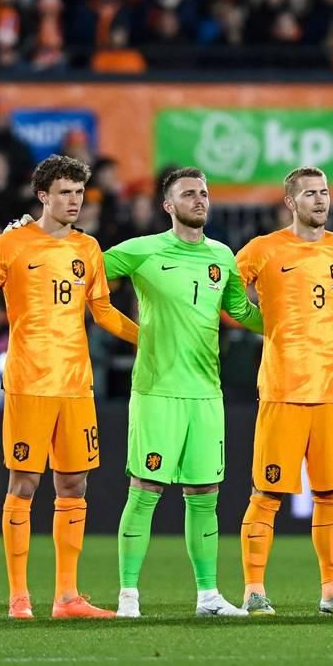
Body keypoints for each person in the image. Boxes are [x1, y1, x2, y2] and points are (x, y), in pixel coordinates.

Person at [0, 154, 140, 620]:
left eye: (79, 192)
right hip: (29, 382)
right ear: (43, 196)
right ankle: (18, 597)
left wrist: (149, 338)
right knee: (24, 483)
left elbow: (103, 312)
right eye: (64, 192)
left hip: (75, 385)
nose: (74, 201)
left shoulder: (88, 249)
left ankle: (67, 597)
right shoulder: (11, 245)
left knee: (74, 483)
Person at [104, 166, 264, 619]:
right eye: (189, 194)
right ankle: (128, 597)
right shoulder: (141, 252)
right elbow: (85, 272)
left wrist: (288, 322)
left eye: (204, 193)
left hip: (206, 393)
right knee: (146, 488)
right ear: (168, 206)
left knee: (205, 492)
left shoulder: (222, 256)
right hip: (157, 391)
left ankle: (209, 596)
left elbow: (240, 311)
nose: (200, 200)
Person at [234, 166, 333, 617]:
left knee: (332, 494)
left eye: (325, 192)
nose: (320, 200)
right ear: (291, 202)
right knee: (267, 494)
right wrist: (264, 324)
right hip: (283, 389)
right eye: (310, 194)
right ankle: (254, 591)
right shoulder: (263, 249)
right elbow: (227, 293)